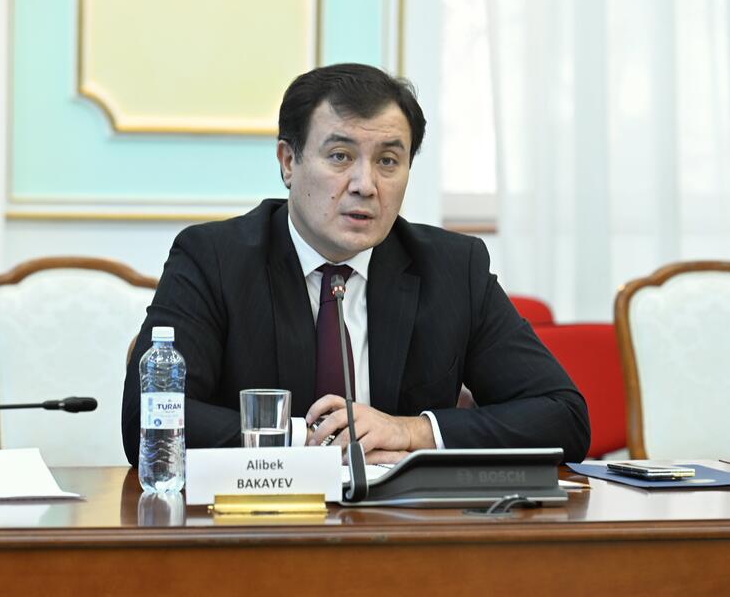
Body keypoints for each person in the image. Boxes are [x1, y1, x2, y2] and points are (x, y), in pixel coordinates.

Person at [122, 63, 590, 466]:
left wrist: (410, 431)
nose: (365, 184)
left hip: (403, 528)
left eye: (388, 161)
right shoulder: (214, 259)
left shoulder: (453, 269)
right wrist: (306, 439)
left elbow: (562, 416)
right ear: (288, 162)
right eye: (340, 156)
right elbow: (148, 416)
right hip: (256, 523)